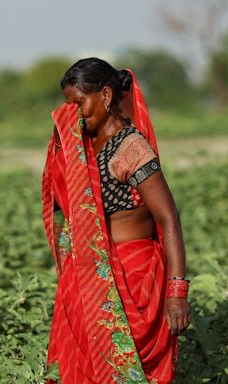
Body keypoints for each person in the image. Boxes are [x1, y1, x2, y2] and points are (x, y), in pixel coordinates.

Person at [41, 58, 189, 384]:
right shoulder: (83, 149)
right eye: (68, 106)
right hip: (88, 279)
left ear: (106, 96)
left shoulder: (131, 148)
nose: (74, 113)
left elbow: (168, 219)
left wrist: (177, 293)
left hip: (133, 279)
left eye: (80, 103)